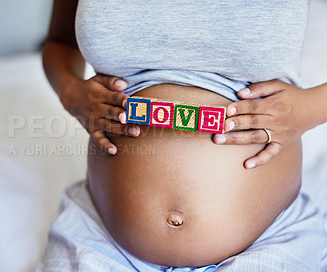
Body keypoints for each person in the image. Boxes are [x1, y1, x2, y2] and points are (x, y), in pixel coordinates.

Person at [39, 0, 327, 271]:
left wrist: (310, 109)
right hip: (99, 237)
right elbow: (59, 43)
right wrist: (70, 90)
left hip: (268, 240)